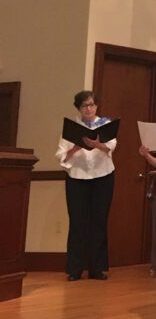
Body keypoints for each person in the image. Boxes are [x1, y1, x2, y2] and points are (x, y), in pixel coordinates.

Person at [55, 91, 117, 281]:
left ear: (96, 106)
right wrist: (76, 147)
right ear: (78, 108)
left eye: (92, 105)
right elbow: (61, 155)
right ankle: (75, 269)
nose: (89, 109)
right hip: (77, 177)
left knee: (98, 221)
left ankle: (97, 268)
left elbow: (111, 146)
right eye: (84, 106)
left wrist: (97, 145)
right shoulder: (72, 128)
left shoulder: (105, 124)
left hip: (103, 176)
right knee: (77, 222)